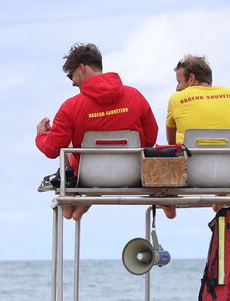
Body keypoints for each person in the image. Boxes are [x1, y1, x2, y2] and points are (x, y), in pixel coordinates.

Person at [36, 42, 158, 222]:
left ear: (81, 68)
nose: (72, 82)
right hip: (132, 174)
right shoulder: (135, 96)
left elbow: (52, 150)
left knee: (67, 144)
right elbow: (150, 138)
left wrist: (41, 136)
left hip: (89, 177)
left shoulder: (70, 107)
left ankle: (71, 203)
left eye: (71, 75)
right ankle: (78, 205)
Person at [162, 54, 230, 218]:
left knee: (166, 154)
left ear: (191, 78)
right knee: (227, 152)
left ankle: (169, 202)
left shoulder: (176, 98)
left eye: (179, 81)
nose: (177, 88)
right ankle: (222, 200)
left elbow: (171, 142)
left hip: (189, 173)